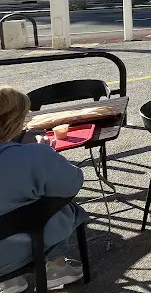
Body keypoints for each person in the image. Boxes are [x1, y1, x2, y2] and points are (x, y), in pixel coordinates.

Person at [0, 87, 87, 293]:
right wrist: (46, 151)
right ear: (14, 122)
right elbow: (72, 183)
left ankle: (9, 282)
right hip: (28, 246)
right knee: (60, 207)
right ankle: (56, 267)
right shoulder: (34, 155)